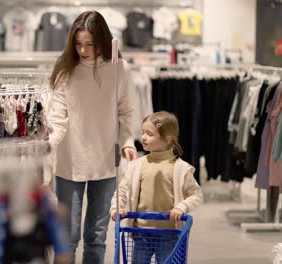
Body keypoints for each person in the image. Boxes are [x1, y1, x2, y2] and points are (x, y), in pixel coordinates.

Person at [48, 10, 137, 264]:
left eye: (89, 44)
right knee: (68, 236)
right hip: (69, 160)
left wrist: (128, 141)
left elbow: (126, 112)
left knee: (96, 237)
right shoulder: (66, 68)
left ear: (102, 40)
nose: (83, 51)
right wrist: (49, 144)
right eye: (78, 44)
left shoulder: (119, 68)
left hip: (106, 161)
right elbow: (57, 115)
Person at [109, 111, 203, 263]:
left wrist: (182, 207)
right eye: (142, 132)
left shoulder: (180, 169)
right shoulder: (136, 166)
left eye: (149, 134)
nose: (143, 137)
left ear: (167, 138)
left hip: (169, 233)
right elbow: (121, 191)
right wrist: (116, 208)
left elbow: (196, 195)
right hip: (140, 232)